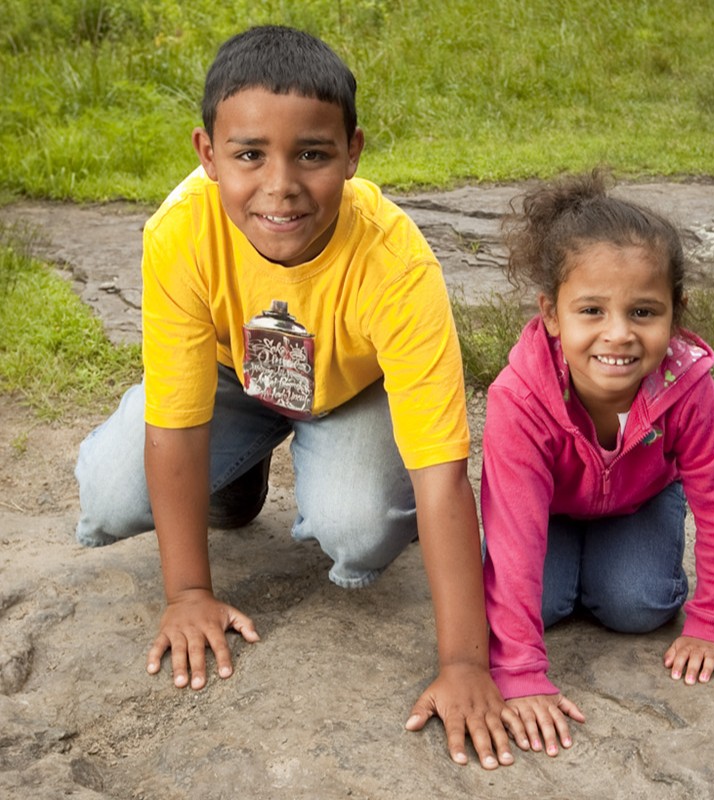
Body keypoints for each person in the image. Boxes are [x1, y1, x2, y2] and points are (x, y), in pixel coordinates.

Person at [74, 25, 522, 770]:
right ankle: (238, 479)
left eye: (312, 154)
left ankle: (351, 480)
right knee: (112, 492)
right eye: (250, 155)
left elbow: (442, 469)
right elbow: (177, 427)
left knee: (358, 526)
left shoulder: (398, 264)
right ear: (206, 154)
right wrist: (187, 592)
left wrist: (466, 665)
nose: (280, 185)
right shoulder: (180, 231)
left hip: (352, 392)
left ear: (353, 152)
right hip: (234, 380)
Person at [480, 171, 714, 757]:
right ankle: (575, 569)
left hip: (638, 500)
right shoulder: (519, 399)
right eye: (592, 310)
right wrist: (520, 670)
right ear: (552, 314)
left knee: (639, 605)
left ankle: (604, 568)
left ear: (676, 314)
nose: (620, 334)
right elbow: (512, 533)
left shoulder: (688, 387)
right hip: (545, 514)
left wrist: (712, 620)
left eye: (644, 312)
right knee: (540, 605)